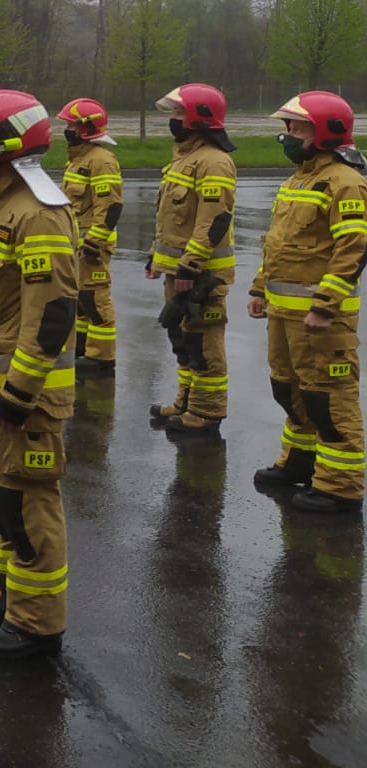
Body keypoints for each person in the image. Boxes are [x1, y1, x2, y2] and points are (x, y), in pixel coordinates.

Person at [0, 90, 79, 661]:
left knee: (28, 506)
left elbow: (51, 315)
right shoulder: (1, 205)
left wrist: (19, 393)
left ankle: (36, 626)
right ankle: (7, 602)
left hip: (24, 398)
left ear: (0, 145)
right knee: (1, 497)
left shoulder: (37, 212)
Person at [249, 92, 367, 514]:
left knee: (328, 400)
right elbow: (278, 243)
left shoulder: (345, 181)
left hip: (322, 321)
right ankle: (300, 461)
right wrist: (259, 289)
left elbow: (353, 249)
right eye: (287, 127)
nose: (287, 136)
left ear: (325, 132)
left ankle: (340, 486)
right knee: (289, 390)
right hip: (284, 313)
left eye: (296, 128)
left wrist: (324, 305)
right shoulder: (298, 180)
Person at [147, 84, 237, 435]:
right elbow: (170, 217)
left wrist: (190, 264)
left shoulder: (214, 161)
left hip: (202, 276)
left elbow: (213, 220)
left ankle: (206, 412)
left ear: (199, 119)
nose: (173, 119)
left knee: (203, 344)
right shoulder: (184, 158)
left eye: (178, 113)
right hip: (177, 270)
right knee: (182, 340)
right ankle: (185, 401)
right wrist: (156, 258)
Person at [57, 98, 123, 374]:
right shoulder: (79, 159)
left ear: (87, 128)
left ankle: (102, 358)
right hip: (78, 245)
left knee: (96, 299)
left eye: (73, 125)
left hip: (91, 246)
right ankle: (83, 348)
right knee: (82, 301)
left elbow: (109, 207)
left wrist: (94, 242)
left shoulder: (101, 161)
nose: (68, 129)